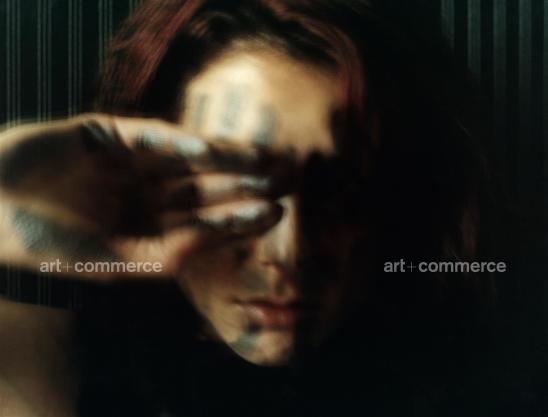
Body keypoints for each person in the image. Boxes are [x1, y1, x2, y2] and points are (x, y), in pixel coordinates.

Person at [0, 0, 506, 416]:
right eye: (237, 183)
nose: (287, 252)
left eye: (340, 185)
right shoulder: (48, 370)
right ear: (144, 170)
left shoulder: (482, 381)